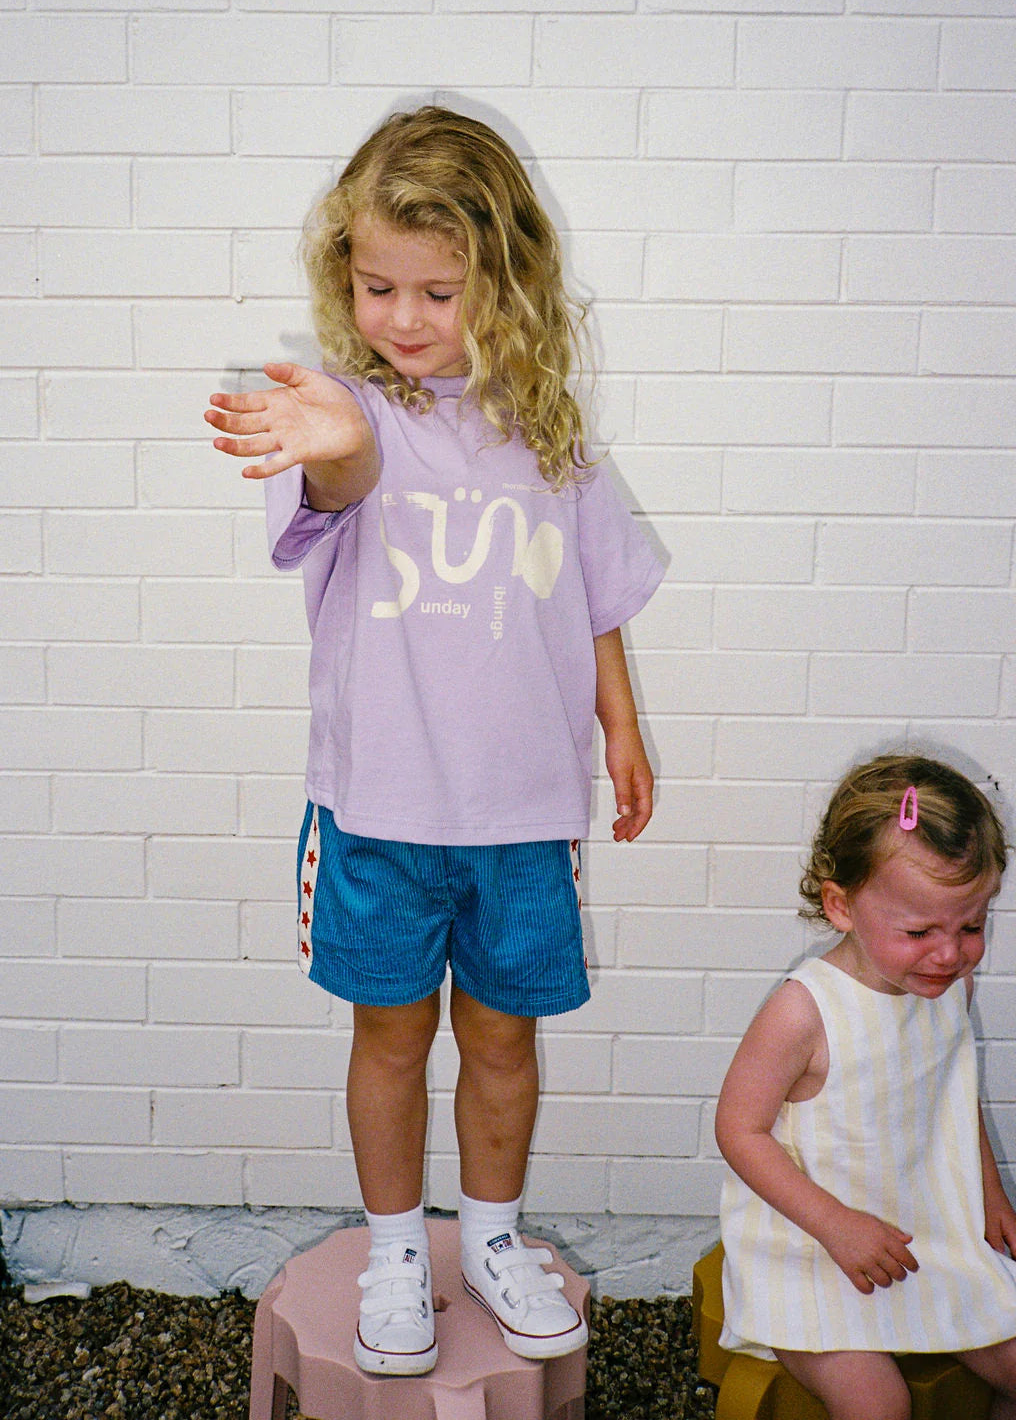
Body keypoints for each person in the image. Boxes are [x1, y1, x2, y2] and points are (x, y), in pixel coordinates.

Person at [205, 107, 663, 1376]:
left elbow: (596, 601)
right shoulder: (338, 415)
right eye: (376, 286)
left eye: (437, 291)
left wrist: (621, 730)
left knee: (505, 1040)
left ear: (501, 280)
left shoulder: (550, 433)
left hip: (523, 813)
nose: (404, 317)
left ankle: (496, 1239)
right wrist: (339, 443)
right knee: (392, 1038)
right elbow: (342, 480)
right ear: (344, 282)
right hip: (376, 812)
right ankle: (400, 1245)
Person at [715, 754, 1016, 1420]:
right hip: (811, 1244)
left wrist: (990, 1193)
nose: (950, 953)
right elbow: (739, 1131)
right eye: (919, 932)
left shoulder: (943, 987)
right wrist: (836, 1226)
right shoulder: (804, 1012)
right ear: (840, 905)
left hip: (923, 1228)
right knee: (878, 1405)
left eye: (971, 926)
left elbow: (949, 1092)